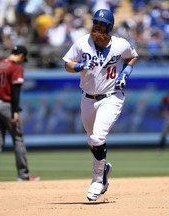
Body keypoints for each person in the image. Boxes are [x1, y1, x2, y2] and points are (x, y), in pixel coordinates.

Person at [62, 9, 138, 201]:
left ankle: (97, 181)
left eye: (101, 23)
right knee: (92, 141)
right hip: (87, 99)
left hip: (112, 97)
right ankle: (103, 168)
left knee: (98, 137)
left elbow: (132, 56)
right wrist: (79, 66)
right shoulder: (82, 42)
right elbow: (67, 64)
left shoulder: (120, 44)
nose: (97, 25)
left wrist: (125, 73)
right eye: (95, 21)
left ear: (109, 26)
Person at [0, 45, 40, 182]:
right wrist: (15, 110)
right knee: (18, 139)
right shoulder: (16, 67)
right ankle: (23, 174)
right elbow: (15, 90)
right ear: (22, 55)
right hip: (7, 106)